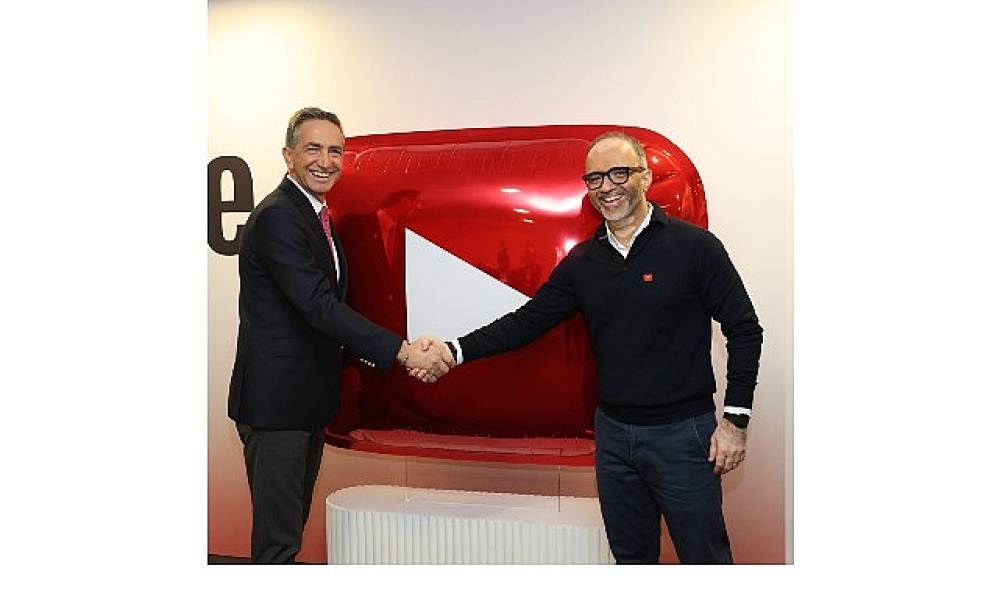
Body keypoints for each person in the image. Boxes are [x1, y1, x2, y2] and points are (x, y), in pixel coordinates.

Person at [415, 131, 763, 564]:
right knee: (631, 560)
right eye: (595, 178)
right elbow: (526, 322)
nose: (607, 186)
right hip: (614, 438)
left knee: (705, 559)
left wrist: (735, 421)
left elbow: (745, 329)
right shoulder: (583, 263)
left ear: (645, 177)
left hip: (683, 436)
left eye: (619, 173)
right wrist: (452, 351)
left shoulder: (696, 248)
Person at [227, 107, 453, 564]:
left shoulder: (314, 215)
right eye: (313, 149)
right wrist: (404, 352)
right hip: (277, 407)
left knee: (289, 532)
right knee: (277, 544)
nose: (325, 161)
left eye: (335, 151)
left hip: (303, 403)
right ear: (288, 155)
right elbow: (318, 306)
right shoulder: (278, 217)